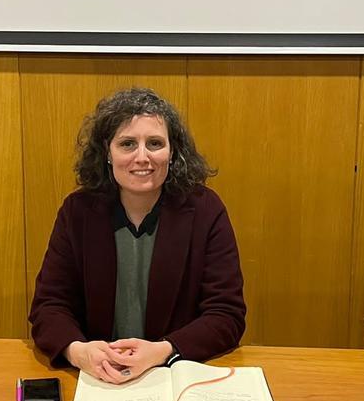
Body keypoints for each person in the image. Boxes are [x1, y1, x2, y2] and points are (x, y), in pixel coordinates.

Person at [30, 87, 245, 383]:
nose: (142, 157)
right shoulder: (77, 212)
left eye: (155, 143)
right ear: (108, 153)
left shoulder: (206, 210)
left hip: (175, 376)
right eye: (128, 144)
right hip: (99, 378)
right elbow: (49, 306)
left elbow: (226, 315)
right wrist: (78, 352)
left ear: (173, 153)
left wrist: (163, 351)